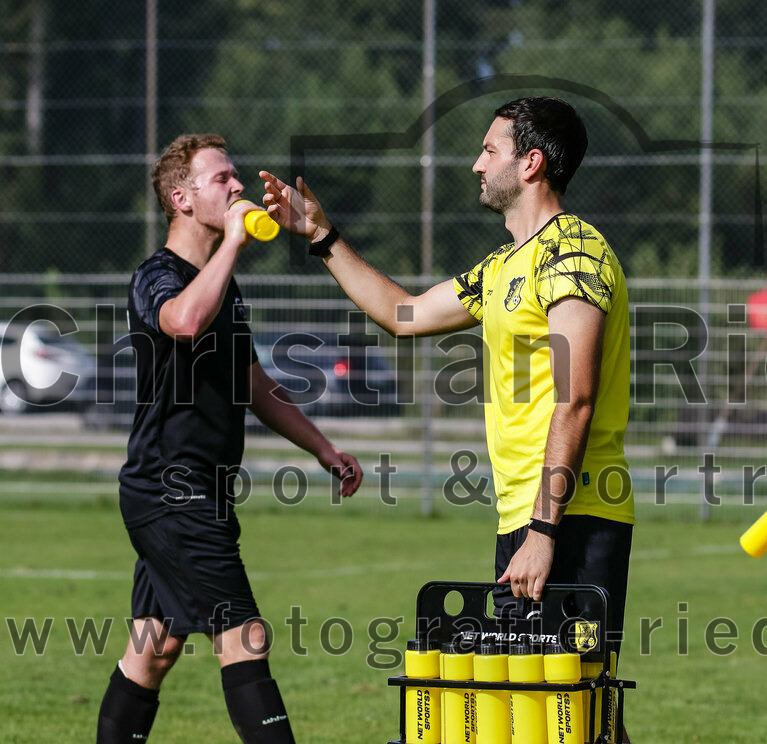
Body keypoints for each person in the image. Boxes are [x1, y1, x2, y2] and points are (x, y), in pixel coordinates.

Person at [260, 95, 634, 647]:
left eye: (490, 151)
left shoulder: (573, 252)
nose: (477, 165)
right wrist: (321, 235)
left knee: (570, 695)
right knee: (533, 695)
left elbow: (574, 399)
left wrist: (544, 530)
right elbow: (402, 314)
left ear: (531, 163)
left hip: (572, 517)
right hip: (525, 518)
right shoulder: (503, 266)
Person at [96, 133, 363, 744]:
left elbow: (253, 383)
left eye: (235, 176)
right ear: (182, 198)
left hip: (201, 491)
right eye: (223, 179)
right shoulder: (156, 276)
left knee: (153, 649)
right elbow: (184, 321)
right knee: (245, 637)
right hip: (171, 491)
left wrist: (322, 449)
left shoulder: (223, 285)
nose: (239, 186)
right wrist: (236, 241)